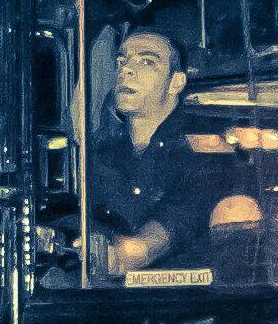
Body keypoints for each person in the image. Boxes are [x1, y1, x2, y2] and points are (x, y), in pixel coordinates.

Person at [80, 24, 203, 280]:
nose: (126, 70)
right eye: (122, 60)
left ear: (176, 82)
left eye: (147, 62)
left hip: (184, 306)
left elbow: (184, 212)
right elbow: (82, 211)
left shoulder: (199, 147)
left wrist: (135, 251)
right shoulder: (102, 156)